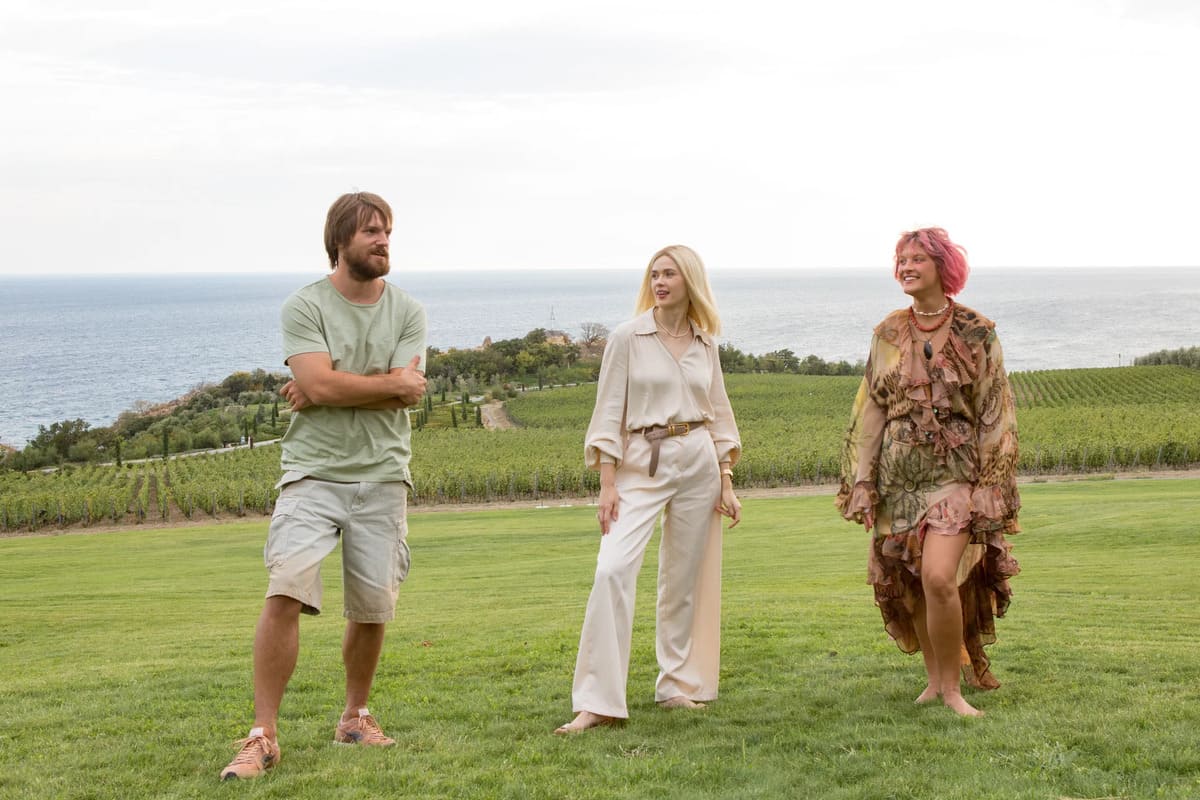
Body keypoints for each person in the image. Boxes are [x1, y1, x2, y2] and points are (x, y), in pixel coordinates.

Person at [221, 191, 428, 779]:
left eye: (387, 232)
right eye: (371, 232)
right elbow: (338, 385)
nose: (383, 241)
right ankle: (262, 735)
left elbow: (407, 390)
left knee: (372, 607)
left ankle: (355, 718)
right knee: (284, 590)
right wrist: (350, 384)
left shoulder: (408, 310)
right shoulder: (305, 305)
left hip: (383, 472)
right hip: (312, 472)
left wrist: (328, 386)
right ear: (340, 240)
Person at [555, 244, 742, 734]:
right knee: (612, 569)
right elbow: (607, 411)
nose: (660, 282)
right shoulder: (627, 337)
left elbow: (719, 412)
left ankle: (676, 685)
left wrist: (726, 479)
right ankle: (597, 701)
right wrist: (607, 481)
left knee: (684, 579)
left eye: (670, 274)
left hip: (699, 459)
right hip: (641, 461)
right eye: (655, 274)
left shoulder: (705, 342)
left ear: (690, 281)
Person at [837, 227, 1021, 717]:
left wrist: (990, 484)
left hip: (955, 473)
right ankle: (935, 682)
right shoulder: (887, 332)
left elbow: (995, 410)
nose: (906, 267)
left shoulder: (977, 331)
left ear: (943, 266)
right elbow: (871, 409)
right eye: (901, 260)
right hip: (898, 478)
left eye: (917, 258)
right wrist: (862, 481)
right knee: (914, 583)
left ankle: (954, 688)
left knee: (940, 577)